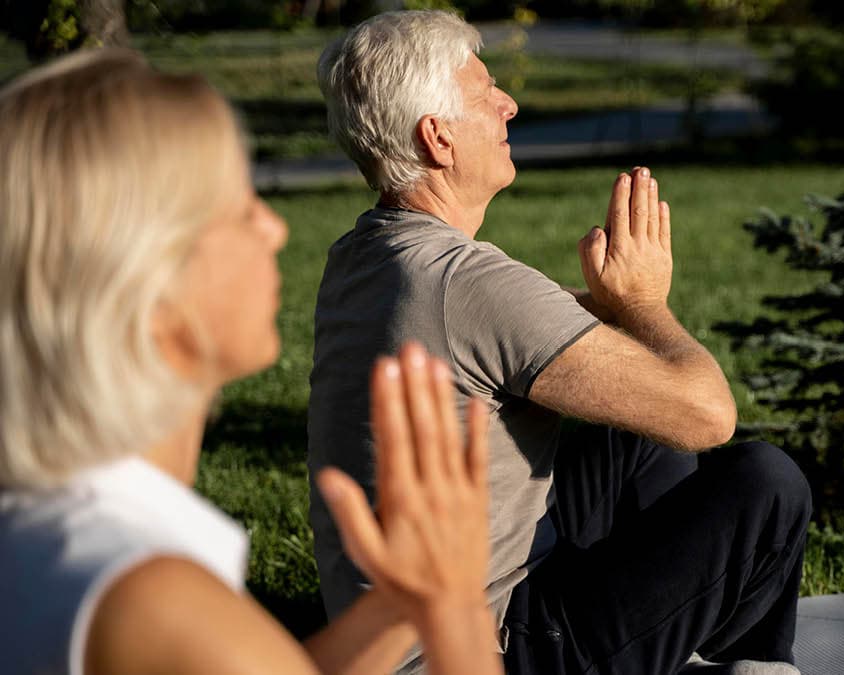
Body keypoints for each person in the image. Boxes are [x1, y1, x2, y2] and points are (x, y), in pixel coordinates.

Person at [309, 10, 813, 674]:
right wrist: (644, 307)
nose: (508, 104)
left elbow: (529, 334)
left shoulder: (366, 255)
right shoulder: (468, 284)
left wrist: (621, 312)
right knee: (767, 482)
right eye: (486, 92)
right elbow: (709, 415)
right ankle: (749, 663)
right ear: (439, 139)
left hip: (404, 630)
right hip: (488, 650)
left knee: (634, 432)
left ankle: (669, 627)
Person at [0, 48, 501, 675]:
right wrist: (455, 607)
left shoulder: (49, 530)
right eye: (239, 210)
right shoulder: (153, 599)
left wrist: (399, 604)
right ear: (148, 291)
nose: (275, 230)